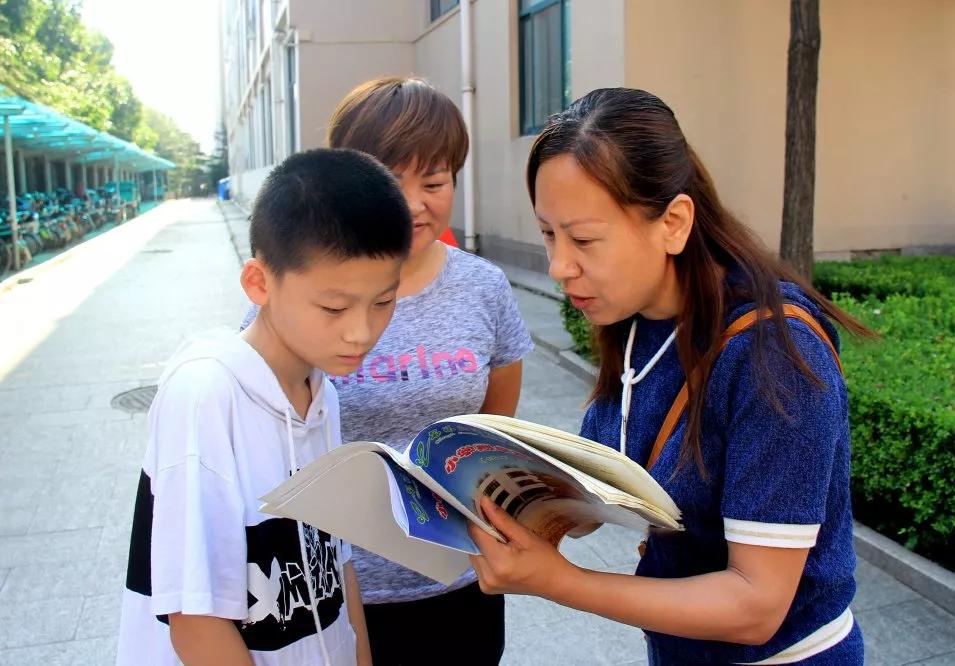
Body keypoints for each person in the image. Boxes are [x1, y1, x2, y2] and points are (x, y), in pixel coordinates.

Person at [467, 88, 872, 665]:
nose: (559, 266)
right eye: (549, 234)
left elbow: (756, 605)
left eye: (583, 240)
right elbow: (605, 484)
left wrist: (558, 581)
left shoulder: (773, 355)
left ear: (674, 223)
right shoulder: (636, 319)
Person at [242, 77, 533, 665]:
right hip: (336, 589)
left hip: (461, 579)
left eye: (435, 182)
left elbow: (493, 428)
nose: (413, 204)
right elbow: (264, 441)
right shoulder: (299, 295)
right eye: (391, 180)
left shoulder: (483, 287)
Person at [117, 148, 414, 666]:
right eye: (334, 307)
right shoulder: (206, 395)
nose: (362, 332)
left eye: (383, 302)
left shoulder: (321, 392)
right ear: (259, 283)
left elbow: (337, 565)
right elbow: (196, 623)